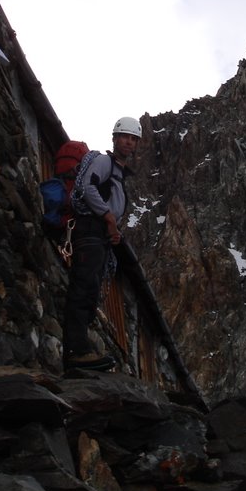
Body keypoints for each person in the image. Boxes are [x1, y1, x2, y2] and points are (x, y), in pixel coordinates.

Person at [62, 116, 141, 371]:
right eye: (125, 137)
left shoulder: (118, 173)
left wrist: (113, 229)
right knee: (83, 287)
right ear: (115, 138)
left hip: (100, 236)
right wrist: (108, 219)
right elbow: (87, 187)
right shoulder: (104, 161)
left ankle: (80, 350)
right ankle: (75, 350)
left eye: (133, 139)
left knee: (90, 290)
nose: (129, 142)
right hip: (90, 231)